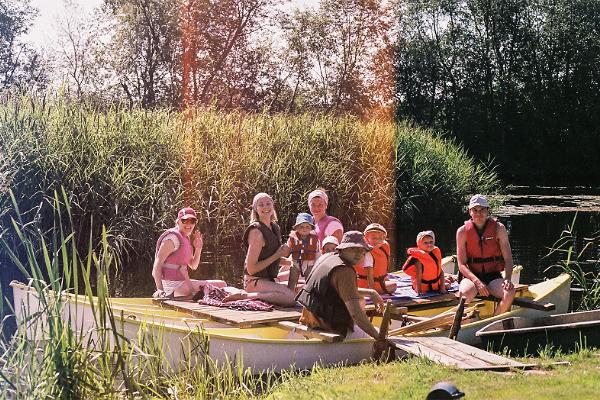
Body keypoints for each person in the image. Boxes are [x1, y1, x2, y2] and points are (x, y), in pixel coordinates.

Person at [296, 231, 387, 346]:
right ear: (342, 249)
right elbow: (356, 314)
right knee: (380, 333)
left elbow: (337, 289)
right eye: (353, 249)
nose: (359, 254)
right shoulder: (345, 270)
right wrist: (379, 338)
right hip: (327, 326)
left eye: (362, 250)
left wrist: (371, 292)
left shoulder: (327, 257)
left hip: (308, 320)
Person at [223, 193, 296, 306]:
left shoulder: (274, 227)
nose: (265, 207)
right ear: (255, 209)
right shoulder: (256, 232)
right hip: (254, 282)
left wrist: (290, 262)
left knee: (300, 288)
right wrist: (277, 255)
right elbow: (251, 269)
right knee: (291, 298)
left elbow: (268, 258)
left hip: (267, 281)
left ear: (273, 205)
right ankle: (246, 296)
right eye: (261, 205)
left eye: (268, 203)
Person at [456, 194, 515, 315]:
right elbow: (461, 264)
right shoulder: (462, 232)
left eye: (482, 209)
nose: (479, 213)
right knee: (464, 294)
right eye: (475, 210)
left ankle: (494, 320)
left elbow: (508, 259)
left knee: (509, 291)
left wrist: (508, 278)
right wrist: (477, 282)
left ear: (488, 210)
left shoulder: (499, 228)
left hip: (493, 276)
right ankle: (463, 321)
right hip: (471, 277)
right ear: (470, 212)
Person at [152, 207, 226, 298]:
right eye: (185, 221)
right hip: (172, 288)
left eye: (192, 221)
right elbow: (157, 264)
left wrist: (198, 249)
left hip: (183, 284)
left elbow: (193, 266)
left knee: (222, 284)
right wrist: (160, 289)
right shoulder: (172, 239)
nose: (188, 224)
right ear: (178, 221)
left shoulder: (185, 239)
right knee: (221, 286)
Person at [354, 223, 397, 294]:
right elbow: (369, 275)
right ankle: (368, 291)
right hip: (366, 285)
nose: (377, 241)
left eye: (380, 238)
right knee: (394, 285)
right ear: (366, 238)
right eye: (374, 238)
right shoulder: (368, 253)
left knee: (389, 281)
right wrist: (372, 292)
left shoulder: (383, 247)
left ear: (384, 238)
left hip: (376, 281)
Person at [402, 230, 446, 295]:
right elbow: (418, 275)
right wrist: (418, 291)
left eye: (431, 242)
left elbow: (440, 271)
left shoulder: (435, 253)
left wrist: (442, 288)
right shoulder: (418, 259)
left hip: (435, 285)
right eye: (425, 243)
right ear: (419, 244)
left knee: (447, 285)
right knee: (447, 285)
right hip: (423, 287)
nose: (429, 245)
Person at [284, 212, 321, 278]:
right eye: (301, 226)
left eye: (307, 226)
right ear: (296, 228)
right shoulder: (292, 238)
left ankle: (308, 288)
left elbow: (318, 254)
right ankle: (291, 288)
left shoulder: (315, 240)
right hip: (296, 264)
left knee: (309, 281)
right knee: (292, 279)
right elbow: (287, 249)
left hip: (309, 264)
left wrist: (317, 265)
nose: (304, 229)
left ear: (311, 228)